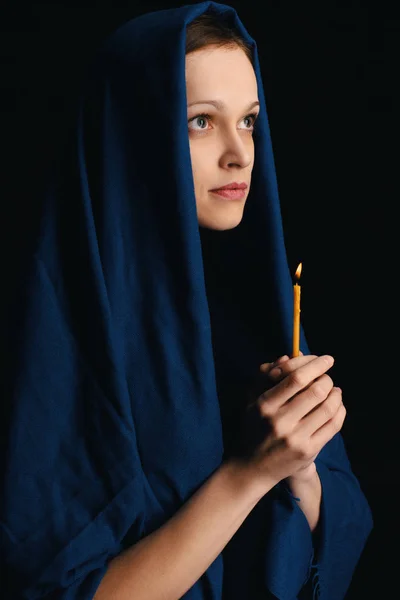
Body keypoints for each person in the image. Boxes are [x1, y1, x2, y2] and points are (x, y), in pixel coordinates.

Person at [0, 2, 373, 599]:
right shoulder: (63, 326)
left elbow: (337, 530)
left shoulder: (263, 302)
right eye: (202, 121)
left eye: (249, 121)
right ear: (136, 132)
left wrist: (301, 470)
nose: (240, 153)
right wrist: (249, 474)